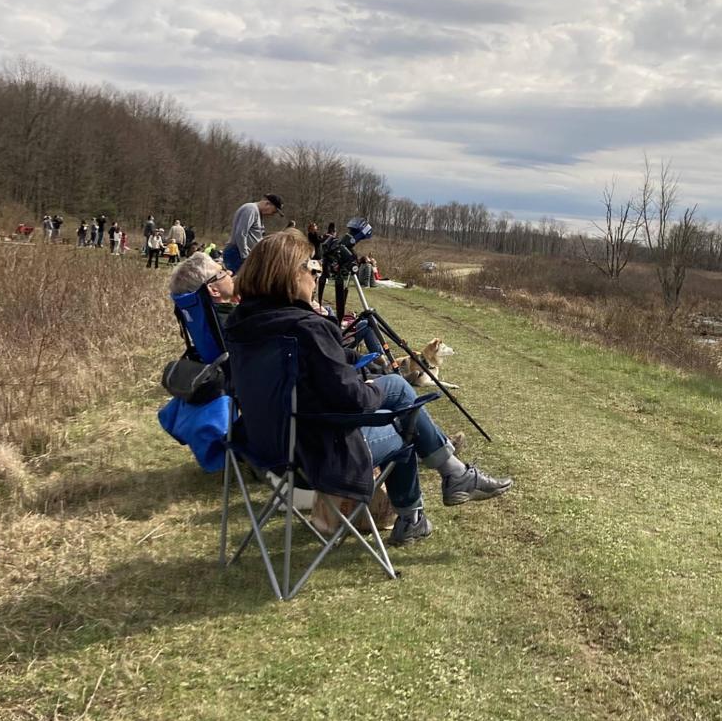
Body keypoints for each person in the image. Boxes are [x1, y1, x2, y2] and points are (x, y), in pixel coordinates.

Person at [224, 230, 512, 546]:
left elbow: (314, 373)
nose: (316, 277)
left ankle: (426, 507)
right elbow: (355, 400)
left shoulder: (242, 326)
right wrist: (376, 385)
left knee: (400, 407)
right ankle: (451, 478)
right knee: (404, 409)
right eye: (313, 269)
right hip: (318, 453)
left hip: (266, 445)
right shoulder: (306, 328)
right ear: (292, 275)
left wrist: (352, 365)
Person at [223, 193, 283, 274]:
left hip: (243, 254)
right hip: (237, 253)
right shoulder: (250, 209)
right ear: (267, 203)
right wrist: (245, 256)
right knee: (239, 283)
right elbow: (241, 233)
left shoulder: (258, 213)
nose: (272, 214)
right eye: (274, 211)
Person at [168, 251, 237, 320]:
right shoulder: (238, 321)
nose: (230, 272)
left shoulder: (206, 320)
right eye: (222, 271)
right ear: (214, 290)